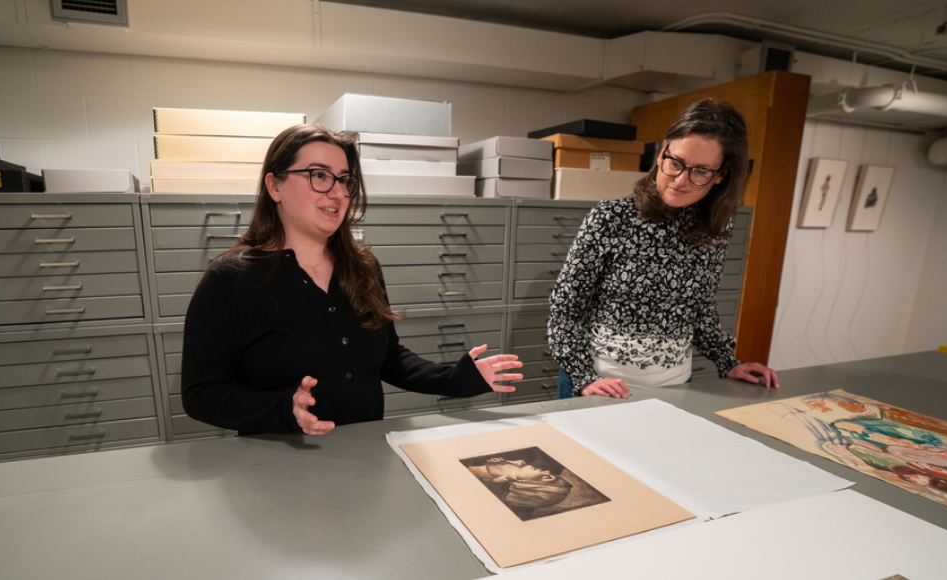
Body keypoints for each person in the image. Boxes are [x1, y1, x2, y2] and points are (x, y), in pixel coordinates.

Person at [181, 124, 523, 435]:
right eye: (319, 175)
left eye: (345, 179)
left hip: (366, 454)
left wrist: (453, 377)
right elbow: (201, 394)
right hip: (278, 466)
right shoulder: (230, 280)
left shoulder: (362, 267)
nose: (337, 193)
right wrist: (283, 408)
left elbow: (388, 357)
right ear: (275, 186)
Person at [548, 99, 778, 399]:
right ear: (662, 152)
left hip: (675, 387)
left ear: (722, 174)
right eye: (676, 163)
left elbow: (701, 309)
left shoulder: (714, 230)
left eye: (701, 171)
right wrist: (583, 377)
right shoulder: (610, 219)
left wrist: (728, 361)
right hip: (600, 386)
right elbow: (564, 311)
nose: (680, 180)